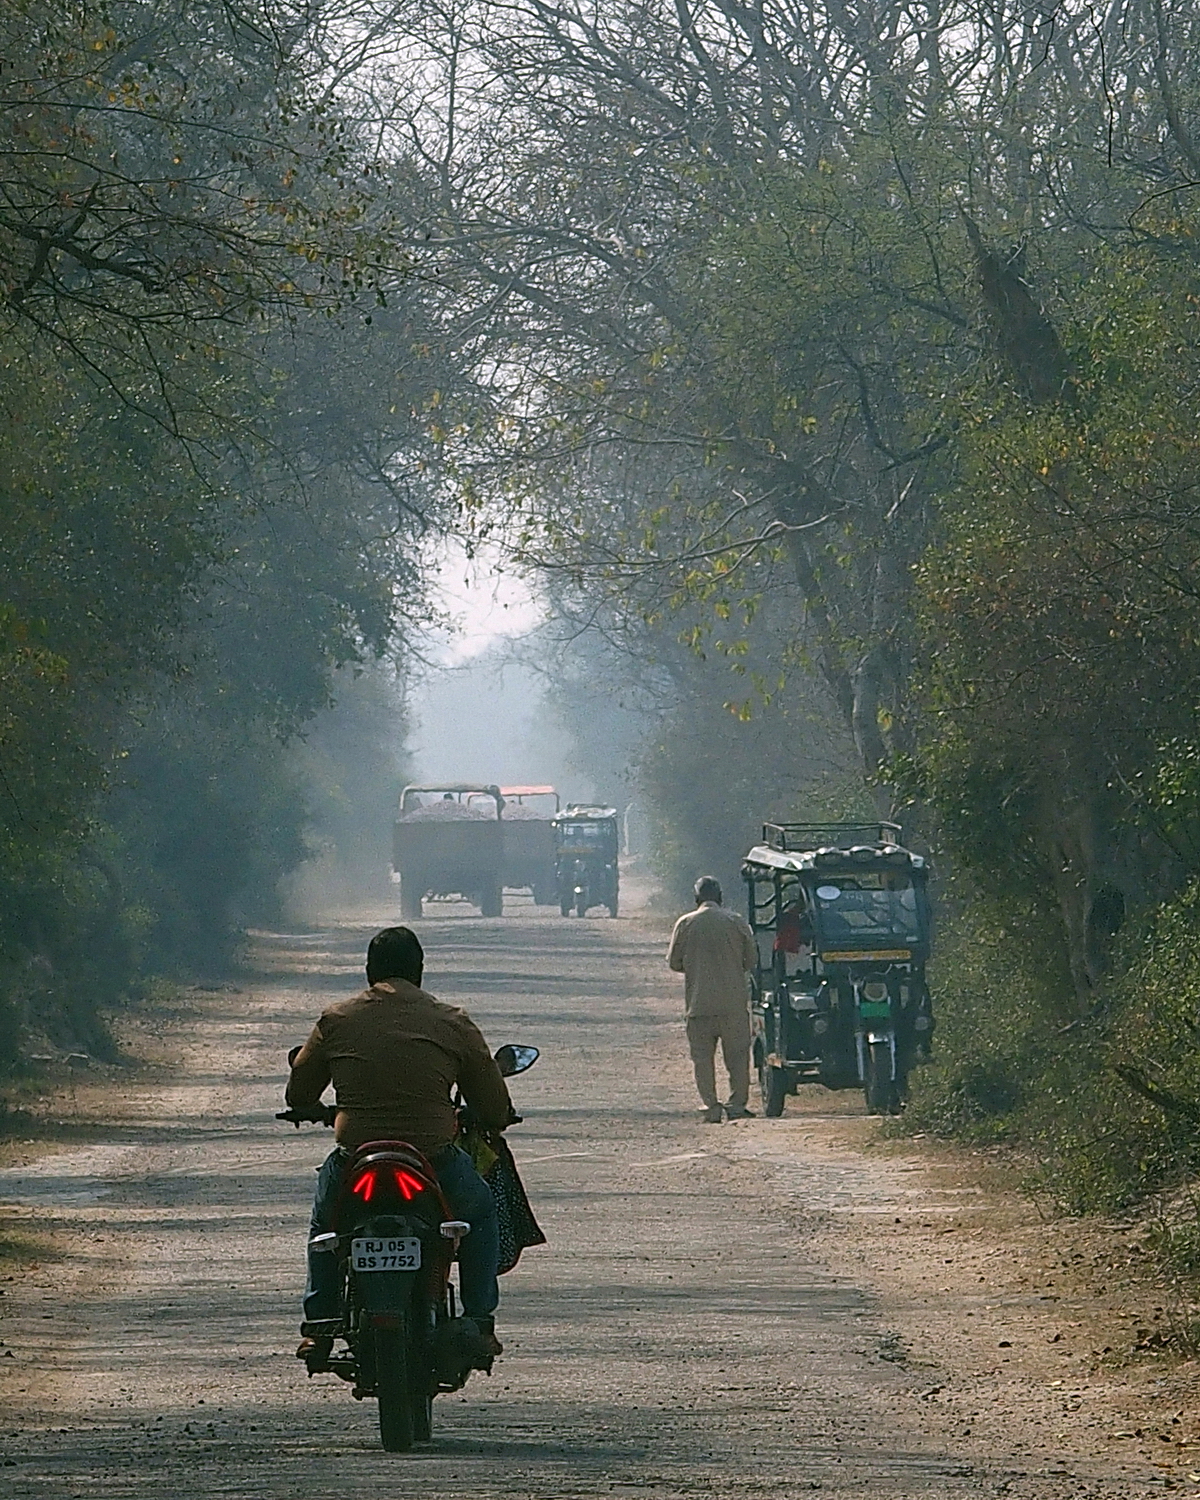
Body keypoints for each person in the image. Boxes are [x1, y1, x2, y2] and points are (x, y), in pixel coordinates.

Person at [286, 925, 513, 1362]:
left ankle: (319, 1325)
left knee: (326, 1229)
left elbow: (299, 1095)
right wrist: (494, 1118)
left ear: (369, 971)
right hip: (432, 1157)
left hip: (357, 1157)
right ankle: (480, 1321)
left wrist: (317, 1108)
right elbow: (492, 1103)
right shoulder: (452, 1021)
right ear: (420, 972)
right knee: (481, 1213)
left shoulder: (337, 1020)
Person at [667, 876, 758, 1123]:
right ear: (720, 897)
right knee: (738, 1058)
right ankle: (737, 1104)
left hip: (699, 1004)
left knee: (702, 1060)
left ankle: (711, 1106)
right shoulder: (736, 921)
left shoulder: (685, 923)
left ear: (696, 898)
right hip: (733, 1004)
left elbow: (674, 962)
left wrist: (696, 966)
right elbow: (751, 961)